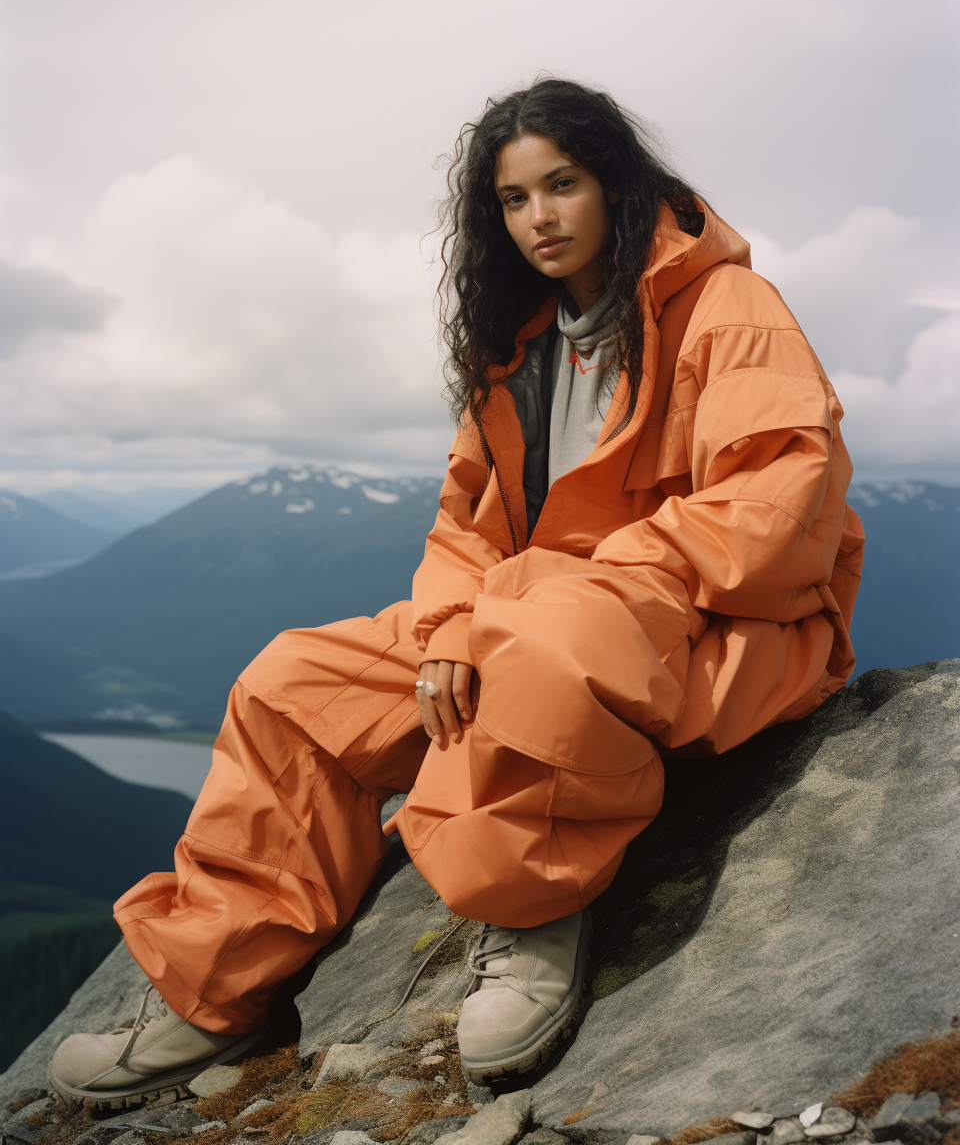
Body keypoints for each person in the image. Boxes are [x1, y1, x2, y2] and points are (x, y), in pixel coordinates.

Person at [48, 78, 864, 1106]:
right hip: (539, 619)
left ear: (616, 182)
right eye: (514, 200)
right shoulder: (519, 348)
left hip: (716, 620)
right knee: (293, 683)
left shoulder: (726, 306)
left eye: (561, 185)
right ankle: (215, 987)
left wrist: (543, 592)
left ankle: (530, 918)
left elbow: (782, 504)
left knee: (537, 636)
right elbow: (466, 528)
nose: (539, 219)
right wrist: (445, 629)